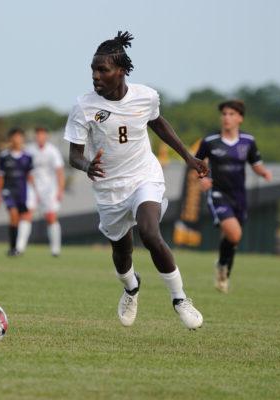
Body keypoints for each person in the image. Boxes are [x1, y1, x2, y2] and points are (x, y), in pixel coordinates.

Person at [65, 31, 208, 329]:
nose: (95, 76)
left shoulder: (146, 96)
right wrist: (87, 166)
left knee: (150, 232)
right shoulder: (84, 106)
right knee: (121, 251)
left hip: (144, 176)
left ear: (122, 71)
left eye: (102, 70)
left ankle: (180, 298)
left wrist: (188, 158)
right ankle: (131, 288)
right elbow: (73, 156)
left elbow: (159, 124)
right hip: (109, 189)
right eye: (93, 69)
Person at [195, 100, 272, 293]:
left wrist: (263, 172)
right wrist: (202, 178)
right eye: (224, 114)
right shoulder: (210, 141)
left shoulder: (248, 141)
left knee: (233, 238)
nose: (226, 118)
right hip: (218, 193)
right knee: (234, 233)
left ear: (240, 118)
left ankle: (223, 269)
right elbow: (197, 163)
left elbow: (255, 163)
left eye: (231, 114)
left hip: (239, 196)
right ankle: (222, 267)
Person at [26, 127, 65, 256]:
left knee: (51, 216)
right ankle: (20, 248)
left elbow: (59, 172)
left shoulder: (53, 151)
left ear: (46, 136)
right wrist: (33, 188)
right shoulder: (30, 150)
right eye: (38, 135)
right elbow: (26, 171)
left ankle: (55, 249)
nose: (40, 138)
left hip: (50, 189)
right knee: (27, 214)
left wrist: (60, 190)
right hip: (32, 187)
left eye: (42, 135)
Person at [0, 128, 34, 256]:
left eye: (19, 137)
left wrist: (35, 191)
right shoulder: (4, 156)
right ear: (10, 139)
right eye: (14, 137)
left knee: (21, 218)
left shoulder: (27, 157)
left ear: (22, 139)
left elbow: (30, 175)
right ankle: (13, 247)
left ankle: (18, 247)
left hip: (22, 191)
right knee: (13, 214)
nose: (17, 140)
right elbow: (0, 176)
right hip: (8, 190)